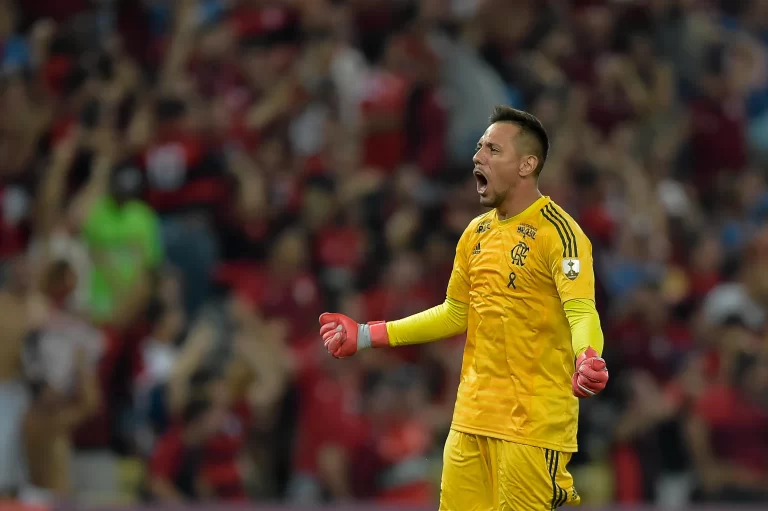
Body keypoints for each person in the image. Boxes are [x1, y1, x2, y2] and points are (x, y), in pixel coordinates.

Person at [318, 106, 610, 511]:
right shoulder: (476, 234)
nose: (478, 157)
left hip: (530, 426)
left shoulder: (561, 234)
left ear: (527, 164)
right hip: (470, 421)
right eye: (478, 148)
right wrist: (367, 334)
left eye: (493, 149)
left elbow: (582, 311)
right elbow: (456, 313)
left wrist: (588, 355)